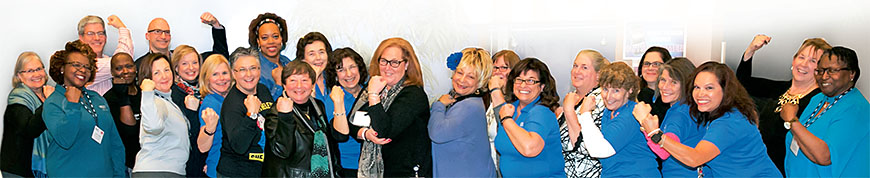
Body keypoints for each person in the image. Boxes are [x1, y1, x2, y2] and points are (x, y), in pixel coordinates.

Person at [636, 62, 781, 177]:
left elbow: (695, 159)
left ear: (725, 90)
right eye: (697, 87)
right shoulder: (722, 114)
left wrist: (655, 133)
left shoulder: (728, 121)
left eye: (709, 88)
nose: (700, 94)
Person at [736, 35, 831, 174]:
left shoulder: (818, 101)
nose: (804, 64)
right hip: (758, 166)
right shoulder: (780, 89)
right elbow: (743, 83)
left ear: (821, 70)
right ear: (794, 60)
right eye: (801, 57)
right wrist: (751, 50)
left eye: (813, 61)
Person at [347, 37, 433, 177]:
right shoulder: (373, 88)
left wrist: (374, 95)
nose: (387, 68)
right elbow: (351, 122)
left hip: (406, 172)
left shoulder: (413, 95)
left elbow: (384, 130)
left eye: (394, 63)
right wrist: (365, 133)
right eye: (384, 61)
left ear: (406, 65)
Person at [42, 40, 125, 177]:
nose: (83, 70)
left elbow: (114, 142)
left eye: (87, 67)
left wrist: (119, 174)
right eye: (76, 65)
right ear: (62, 68)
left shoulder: (97, 98)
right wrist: (72, 105)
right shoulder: (53, 102)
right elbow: (65, 139)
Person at [783, 46, 869, 177]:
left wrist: (792, 120)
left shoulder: (856, 109)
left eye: (832, 71)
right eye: (820, 71)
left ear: (852, 74)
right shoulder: (818, 99)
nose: (824, 76)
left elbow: (824, 157)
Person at [573, 62, 659, 177]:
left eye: (616, 91)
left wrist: (585, 114)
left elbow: (599, 150)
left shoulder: (631, 114)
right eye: (605, 89)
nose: (608, 97)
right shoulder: (609, 112)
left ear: (630, 91)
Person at [263, 60, 341, 177]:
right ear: (284, 85)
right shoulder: (276, 112)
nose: (299, 86)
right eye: (292, 80)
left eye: (304, 80)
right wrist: (285, 117)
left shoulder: (317, 106)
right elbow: (283, 151)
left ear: (313, 84)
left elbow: (331, 148)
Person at [428, 48, 497, 177]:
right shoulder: (463, 100)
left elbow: (437, 133)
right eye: (460, 72)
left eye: (471, 76)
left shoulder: (470, 106)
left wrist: (439, 105)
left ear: (480, 82)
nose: (462, 80)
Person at [495, 57, 566, 177]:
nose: (523, 85)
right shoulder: (510, 109)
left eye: (531, 81)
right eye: (519, 80)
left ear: (542, 86)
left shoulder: (541, 111)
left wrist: (506, 120)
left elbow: (529, 148)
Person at [634, 57, 701, 177]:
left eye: (674, 82)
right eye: (663, 80)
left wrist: (644, 121)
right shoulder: (688, 108)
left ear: (686, 84)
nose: (665, 87)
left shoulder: (679, 115)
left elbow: (663, 151)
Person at [217, 47, 273, 177]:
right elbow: (239, 146)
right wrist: (251, 115)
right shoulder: (232, 104)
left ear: (260, 70)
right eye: (242, 70)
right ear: (233, 73)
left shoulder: (263, 90)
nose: (249, 74)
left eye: (253, 68)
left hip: (261, 170)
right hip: (236, 173)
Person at [133, 53, 190, 177]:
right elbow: (153, 127)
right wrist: (147, 92)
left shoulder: (168, 101)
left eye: (166, 70)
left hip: (169, 171)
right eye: (156, 73)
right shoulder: (156, 102)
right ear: (148, 78)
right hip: (157, 172)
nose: (164, 76)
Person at [558, 49, 609, 178]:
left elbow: (585, 147)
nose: (577, 71)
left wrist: (569, 110)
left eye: (584, 67)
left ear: (598, 75)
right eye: (575, 65)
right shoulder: (573, 98)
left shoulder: (600, 100)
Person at [2, 52, 53, 177]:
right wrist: (48, 103)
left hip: (45, 166)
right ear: (19, 76)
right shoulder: (18, 96)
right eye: (30, 71)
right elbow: (30, 129)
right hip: (20, 170)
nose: (36, 74)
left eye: (39, 69)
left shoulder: (49, 93)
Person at [323, 47, 368, 177]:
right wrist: (339, 103)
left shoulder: (372, 93)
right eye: (341, 70)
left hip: (375, 163)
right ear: (335, 75)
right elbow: (340, 136)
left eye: (352, 67)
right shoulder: (333, 99)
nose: (348, 74)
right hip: (347, 167)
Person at [169, 45, 207, 177]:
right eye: (185, 63)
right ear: (176, 68)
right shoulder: (173, 94)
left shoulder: (206, 89)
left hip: (207, 156)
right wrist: (191, 112)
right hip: (188, 160)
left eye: (195, 62)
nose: (191, 68)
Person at [101, 52, 141, 171]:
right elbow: (129, 131)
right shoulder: (108, 100)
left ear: (135, 68)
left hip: (149, 160)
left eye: (129, 66)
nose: (125, 71)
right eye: (119, 68)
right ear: (112, 73)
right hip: (125, 164)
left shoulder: (145, 93)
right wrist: (122, 96)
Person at [196, 54, 233, 178]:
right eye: (215, 74)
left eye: (224, 73)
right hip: (219, 170)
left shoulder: (230, 99)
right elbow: (202, 147)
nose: (221, 78)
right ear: (206, 79)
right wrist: (209, 129)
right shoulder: (210, 103)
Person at [78, 15, 134, 95]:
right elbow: (123, 60)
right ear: (81, 37)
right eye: (90, 33)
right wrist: (122, 28)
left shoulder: (107, 59)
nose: (97, 38)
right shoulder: (82, 64)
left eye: (100, 33)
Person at [484, 49, 519, 174]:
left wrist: (496, 89)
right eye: (495, 67)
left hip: (506, 168)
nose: (498, 72)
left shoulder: (517, 102)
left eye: (504, 67)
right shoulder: (488, 99)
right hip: (489, 167)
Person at [248, 12, 291, 99]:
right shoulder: (253, 68)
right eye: (264, 38)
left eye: (275, 36)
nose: (271, 41)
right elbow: (263, 107)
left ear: (281, 38)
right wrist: (278, 84)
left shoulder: (287, 62)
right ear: (258, 41)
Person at [295, 32, 334, 125]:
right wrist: (313, 78)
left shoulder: (335, 77)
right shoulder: (297, 84)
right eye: (311, 54)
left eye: (321, 52)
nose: (318, 58)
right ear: (303, 59)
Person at [636, 46, 672, 123]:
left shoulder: (671, 98)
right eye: (646, 64)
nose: (650, 68)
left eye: (656, 64)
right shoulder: (633, 95)